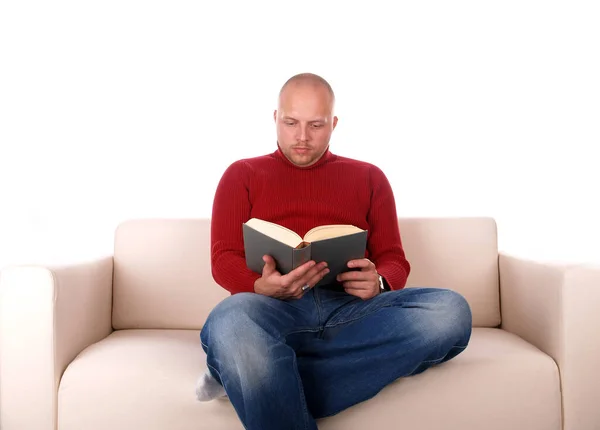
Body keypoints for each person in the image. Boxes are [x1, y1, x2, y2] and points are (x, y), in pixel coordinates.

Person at [197, 73, 472, 430]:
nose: (302, 136)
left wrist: (381, 282)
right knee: (232, 320)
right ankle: (245, 360)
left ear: (334, 123)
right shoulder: (242, 174)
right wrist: (260, 287)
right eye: (291, 122)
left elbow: (393, 257)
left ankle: (246, 372)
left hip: (352, 310)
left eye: (316, 125)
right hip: (271, 310)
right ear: (275, 118)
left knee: (450, 312)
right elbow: (223, 259)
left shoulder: (369, 177)